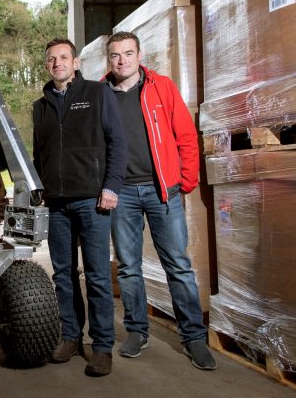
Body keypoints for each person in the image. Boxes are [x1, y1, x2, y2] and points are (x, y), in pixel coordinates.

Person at [105, 31, 216, 370]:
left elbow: (185, 135)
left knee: (178, 266)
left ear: (139, 55)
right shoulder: (100, 95)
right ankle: (138, 331)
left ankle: (194, 337)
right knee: (128, 267)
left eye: (127, 53)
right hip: (121, 194)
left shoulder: (161, 87)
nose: (121, 60)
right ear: (108, 60)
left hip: (161, 191)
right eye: (115, 55)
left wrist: (185, 180)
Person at [33, 38, 127, 377]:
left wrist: (111, 186)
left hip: (93, 200)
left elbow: (118, 141)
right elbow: (38, 155)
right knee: (63, 275)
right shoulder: (40, 107)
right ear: (47, 66)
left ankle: (101, 346)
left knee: (99, 277)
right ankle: (70, 336)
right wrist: (40, 190)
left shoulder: (97, 94)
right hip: (57, 203)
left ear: (75, 63)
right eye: (51, 59)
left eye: (63, 57)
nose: (57, 63)